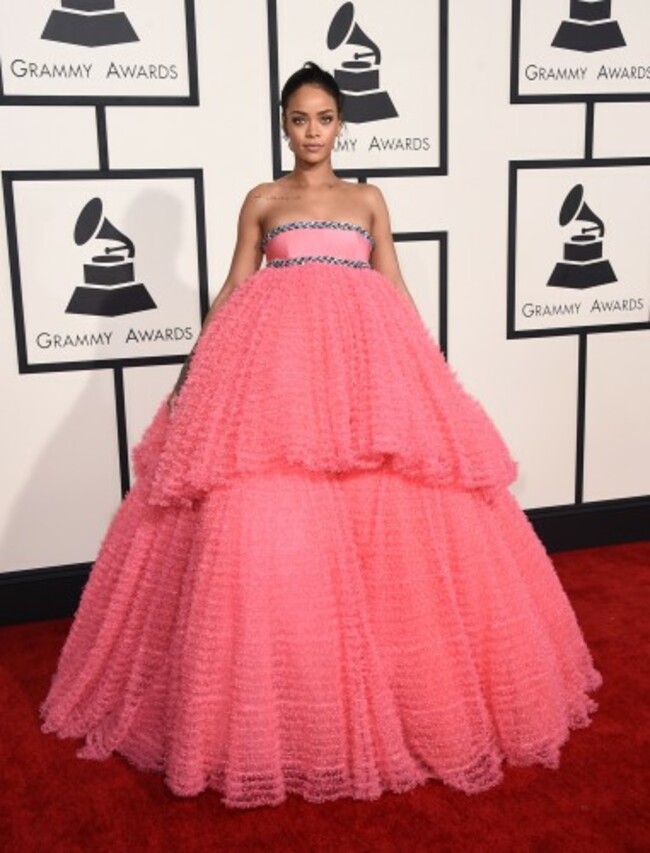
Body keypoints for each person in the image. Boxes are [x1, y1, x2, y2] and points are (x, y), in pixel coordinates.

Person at [41, 62, 601, 810]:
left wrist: (424, 366)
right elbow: (235, 286)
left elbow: (393, 282)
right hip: (274, 379)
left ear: (342, 123)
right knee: (270, 515)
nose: (312, 132)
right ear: (284, 123)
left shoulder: (368, 199)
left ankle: (398, 688)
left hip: (366, 375)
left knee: (389, 512)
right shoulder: (263, 200)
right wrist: (192, 372)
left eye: (325, 118)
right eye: (299, 119)